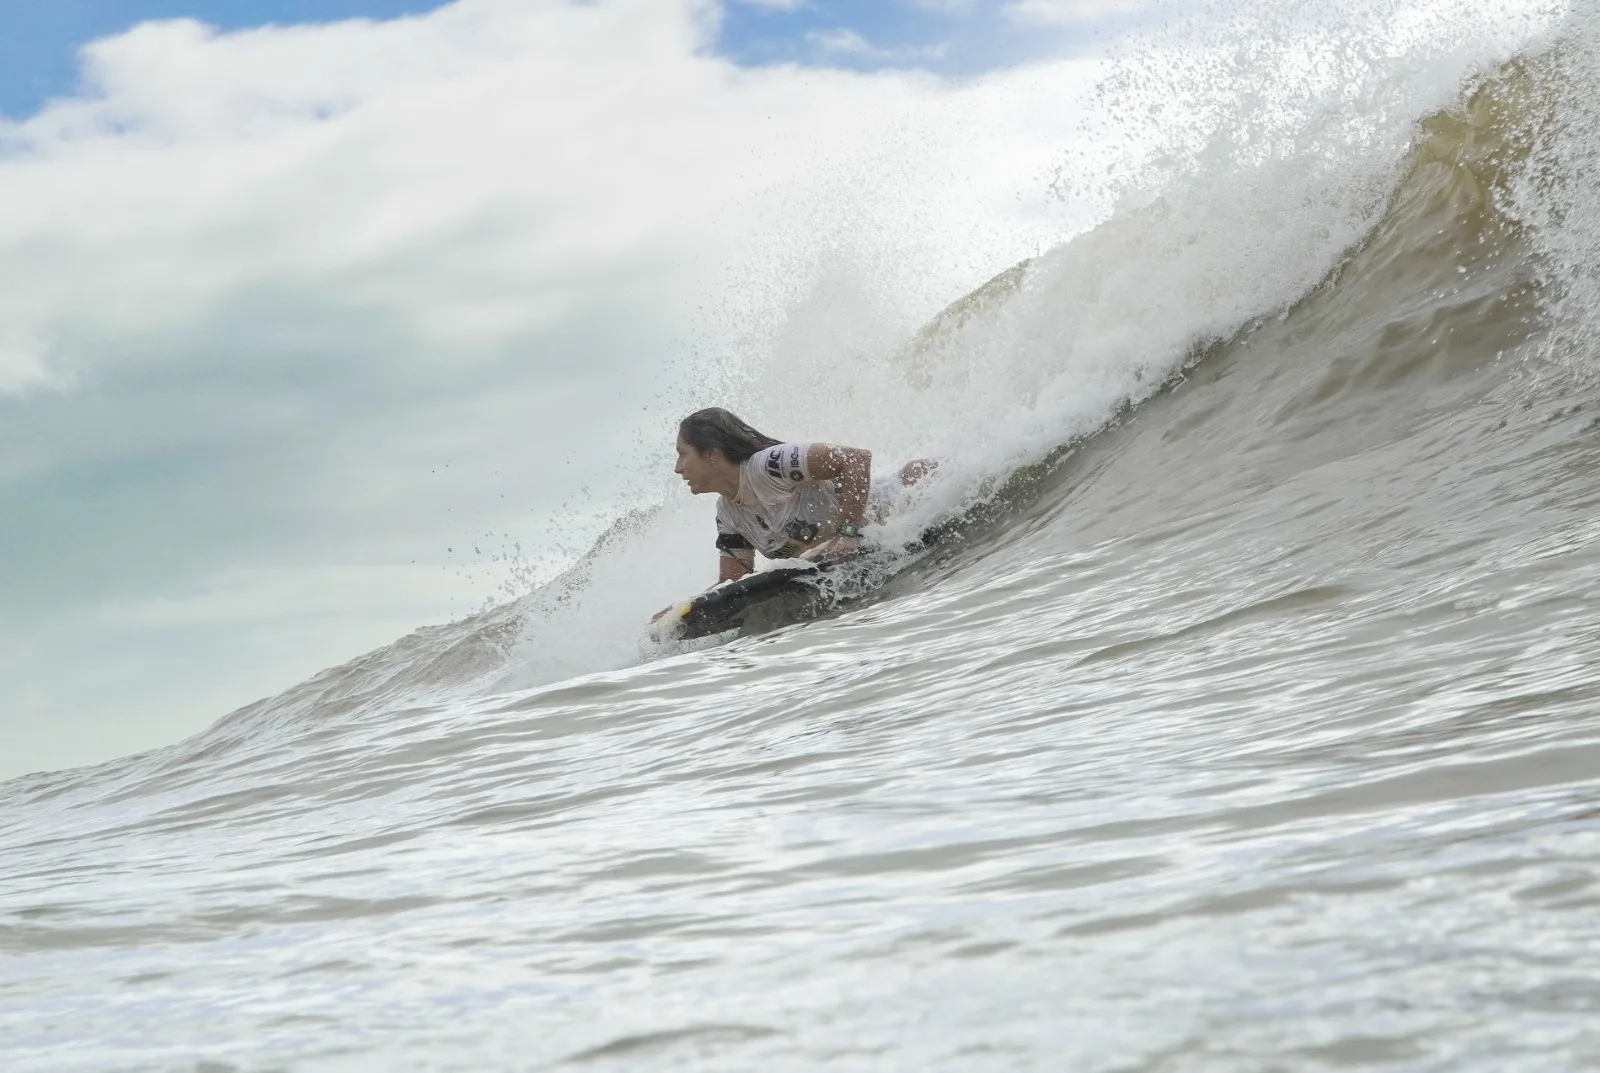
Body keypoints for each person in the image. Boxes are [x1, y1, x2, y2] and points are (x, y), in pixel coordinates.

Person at [670, 407, 935, 587]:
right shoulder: (729, 515)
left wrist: (847, 534)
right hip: (877, 542)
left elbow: (855, 459)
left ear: (711, 454)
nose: (678, 467)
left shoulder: (770, 465)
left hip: (907, 496)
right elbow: (732, 584)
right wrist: (684, 611)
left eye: (683, 454)